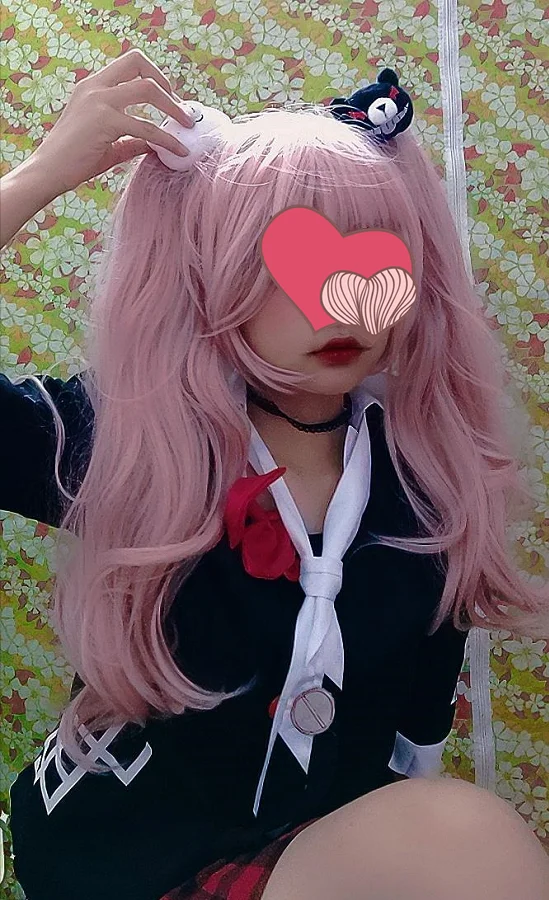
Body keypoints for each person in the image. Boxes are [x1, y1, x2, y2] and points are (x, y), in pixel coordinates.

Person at [1, 47, 548, 900]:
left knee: (460, 841)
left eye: (376, 267)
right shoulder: (128, 440)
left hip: (311, 847)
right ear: (203, 275)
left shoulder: (429, 475)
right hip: (125, 856)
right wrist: (34, 179)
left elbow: (418, 707)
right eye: (289, 268)